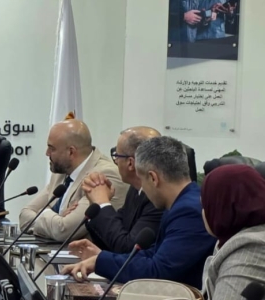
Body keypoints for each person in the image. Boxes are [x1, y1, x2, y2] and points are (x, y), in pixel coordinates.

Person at [64, 136, 216, 289]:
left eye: (142, 180)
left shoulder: (188, 211)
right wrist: (101, 259)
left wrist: (100, 262)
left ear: (153, 178)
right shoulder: (180, 203)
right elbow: (151, 254)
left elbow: (157, 271)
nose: (142, 189)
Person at [19, 120, 126, 242]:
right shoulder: (61, 172)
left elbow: (63, 231)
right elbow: (24, 216)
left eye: (51, 148)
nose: (47, 153)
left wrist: (46, 213)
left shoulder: (103, 176)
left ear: (71, 152)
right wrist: (58, 217)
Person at [200, 165, 265, 300]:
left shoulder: (252, 245)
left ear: (222, 207)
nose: (203, 212)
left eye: (206, 204)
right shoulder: (234, 238)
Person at [69, 127, 163, 258]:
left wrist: (102, 203)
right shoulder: (135, 190)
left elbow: (127, 249)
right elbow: (111, 241)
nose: (116, 161)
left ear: (130, 163)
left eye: (117, 156)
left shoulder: (157, 198)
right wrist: (94, 204)